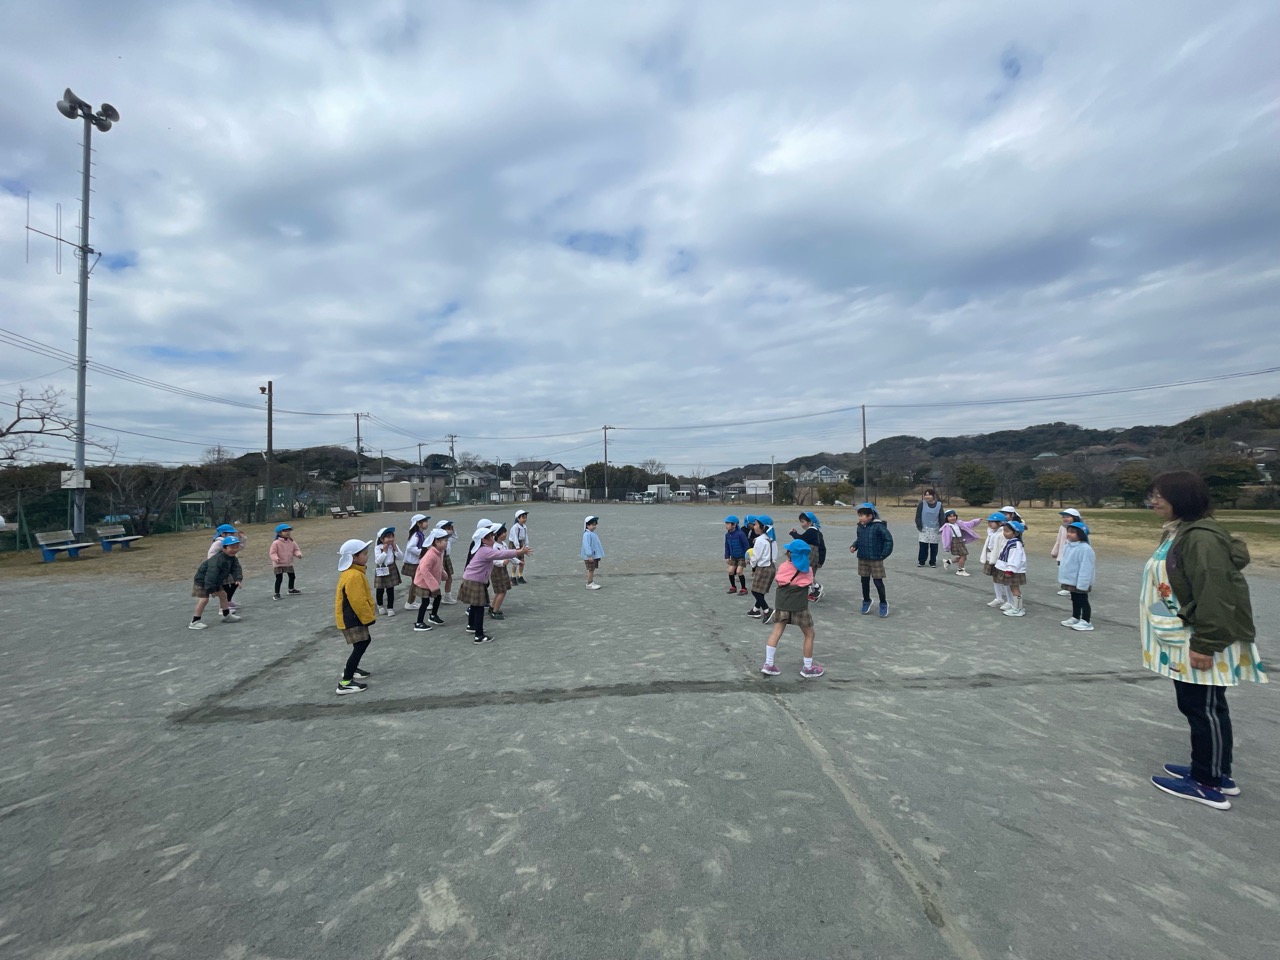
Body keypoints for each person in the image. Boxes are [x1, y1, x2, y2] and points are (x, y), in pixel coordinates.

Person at [1143, 471, 1268, 810]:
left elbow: (1215, 593)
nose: (1153, 502)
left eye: (1159, 496)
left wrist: (1205, 644)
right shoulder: (1182, 530)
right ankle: (1215, 771)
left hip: (1200, 637)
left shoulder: (1201, 538)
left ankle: (1206, 782)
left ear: (1181, 499)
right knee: (1201, 705)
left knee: (1204, 707)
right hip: (1185, 633)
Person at [760, 540, 824, 679]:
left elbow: (779, 581)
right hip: (799, 606)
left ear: (789, 554)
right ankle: (808, 667)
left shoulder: (783, 566)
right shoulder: (808, 570)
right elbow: (809, 582)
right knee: (809, 634)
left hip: (783, 604)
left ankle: (768, 664)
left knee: (776, 632)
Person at [460, 522, 532, 642]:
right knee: (479, 608)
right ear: (483, 540)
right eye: (490, 537)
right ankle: (479, 635)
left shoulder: (482, 548)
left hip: (471, 579)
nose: (492, 539)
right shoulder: (485, 550)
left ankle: (471, 626)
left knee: (474, 606)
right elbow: (501, 554)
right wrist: (519, 552)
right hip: (475, 581)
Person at [334, 538, 376, 695]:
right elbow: (358, 600)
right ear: (353, 557)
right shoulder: (354, 576)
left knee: (361, 642)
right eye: (364, 554)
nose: (367, 556)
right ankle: (345, 682)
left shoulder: (353, 572)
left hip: (351, 617)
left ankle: (352, 668)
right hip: (353, 618)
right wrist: (368, 618)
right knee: (362, 643)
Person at [850, 502, 893, 617]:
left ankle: (883, 603)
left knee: (878, 582)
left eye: (862, 516)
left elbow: (888, 540)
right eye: (859, 516)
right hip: (862, 558)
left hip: (876, 559)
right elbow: (859, 539)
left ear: (870, 516)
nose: (860, 518)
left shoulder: (879, 526)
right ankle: (866, 600)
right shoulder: (860, 527)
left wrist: (883, 554)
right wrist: (854, 546)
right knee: (864, 581)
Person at [189, 536, 243, 629]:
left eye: (237, 547)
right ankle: (194, 621)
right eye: (232, 547)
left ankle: (226, 615)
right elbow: (211, 574)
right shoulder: (217, 559)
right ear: (224, 548)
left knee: (223, 595)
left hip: (215, 580)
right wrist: (212, 589)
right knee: (204, 599)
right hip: (203, 580)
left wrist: (238, 579)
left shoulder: (232, 558)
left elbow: (236, 568)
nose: (235, 550)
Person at [1058, 521, 1096, 631]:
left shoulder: (1085, 549)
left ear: (1081, 534)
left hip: (1080, 580)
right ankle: (1075, 617)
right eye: (1068, 531)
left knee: (1083, 600)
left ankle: (1086, 620)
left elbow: (1086, 568)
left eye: (1073, 532)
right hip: (1071, 579)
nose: (1069, 534)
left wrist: (1083, 583)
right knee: (1074, 599)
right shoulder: (1068, 546)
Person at [412, 527, 450, 631]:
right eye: (445, 540)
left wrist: (443, 574)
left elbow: (439, 566)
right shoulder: (431, 554)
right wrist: (433, 584)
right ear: (437, 542)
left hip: (432, 582)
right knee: (425, 602)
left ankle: (433, 615)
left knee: (437, 597)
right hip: (424, 583)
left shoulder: (439, 552)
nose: (447, 542)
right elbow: (424, 569)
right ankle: (419, 622)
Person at [207, 522, 247, 612]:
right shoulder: (218, 543)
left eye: (233, 533)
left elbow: (239, 547)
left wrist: (242, 538)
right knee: (224, 586)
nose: (233, 535)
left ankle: (228, 600)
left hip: (230, 567)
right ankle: (223, 606)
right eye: (231, 533)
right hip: (221, 568)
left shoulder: (231, 541)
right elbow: (211, 554)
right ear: (222, 534)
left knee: (234, 582)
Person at [788, 511, 827, 601]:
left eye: (803, 522)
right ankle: (814, 590)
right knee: (808, 572)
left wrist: (793, 533)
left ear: (810, 522)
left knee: (805, 572)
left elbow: (801, 539)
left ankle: (817, 587)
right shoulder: (816, 531)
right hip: (816, 555)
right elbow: (821, 547)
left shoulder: (811, 531)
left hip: (812, 555)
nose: (802, 524)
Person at [995, 520, 1028, 616]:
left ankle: (1018, 608)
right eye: (1004, 530)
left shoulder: (1015, 544)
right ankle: (1016, 607)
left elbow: (1015, 558)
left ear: (1016, 533)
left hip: (1014, 571)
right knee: (1012, 588)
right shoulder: (1011, 542)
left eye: (1007, 531)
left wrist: (1010, 569)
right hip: (1010, 569)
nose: (1004, 533)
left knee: (1015, 589)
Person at [748, 515, 777, 621]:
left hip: (763, 567)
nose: (754, 526)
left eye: (756, 524)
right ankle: (755, 610)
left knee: (755, 591)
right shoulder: (772, 539)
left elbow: (756, 556)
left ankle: (767, 610)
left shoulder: (760, 540)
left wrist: (751, 563)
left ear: (763, 527)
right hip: (771, 567)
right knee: (760, 591)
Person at [979, 512, 1009, 608]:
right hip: (991, 557)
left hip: (999, 559)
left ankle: (1010, 601)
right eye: (989, 522)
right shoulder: (991, 532)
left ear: (1000, 523)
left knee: (1005, 581)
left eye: (993, 522)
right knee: (995, 579)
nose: (990, 524)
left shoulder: (1003, 533)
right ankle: (999, 598)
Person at [1051, 508, 1083, 596]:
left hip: (1073, 554)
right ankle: (1066, 587)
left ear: (1075, 517)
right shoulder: (1062, 527)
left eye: (1068, 517)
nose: (1065, 519)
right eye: (1063, 517)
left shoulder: (1079, 527)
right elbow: (1058, 540)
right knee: (1063, 570)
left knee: (1073, 570)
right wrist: (1055, 552)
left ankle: (1073, 588)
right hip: (1062, 554)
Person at [401, 513, 431, 610]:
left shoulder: (419, 534)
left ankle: (412, 601)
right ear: (418, 523)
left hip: (416, 562)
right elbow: (410, 547)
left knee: (416, 582)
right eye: (425, 521)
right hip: (413, 563)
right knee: (416, 582)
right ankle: (411, 602)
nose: (427, 523)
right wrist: (422, 552)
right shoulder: (416, 535)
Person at [373, 526, 403, 617]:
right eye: (388, 537)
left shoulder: (393, 546)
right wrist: (385, 552)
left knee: (390, 589)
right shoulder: (378, 548)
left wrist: (395, 549)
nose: (391, 539)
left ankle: (390, 608)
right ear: (382, 539)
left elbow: (401, 557)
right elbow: (378, 561)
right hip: (381, 569)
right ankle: (380, 605)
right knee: (380, 589)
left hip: (391, 568)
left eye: (392, 537)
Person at [940, 510, 981, 576]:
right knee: (963, 556)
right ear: (946, 518)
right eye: (950, 517)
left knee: (964, 557)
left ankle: (948, 562)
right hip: (955, 542)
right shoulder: (947, 526)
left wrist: (976, 521)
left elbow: (969, 524)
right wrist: (947, 547)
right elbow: (945, 538)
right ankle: (960, 570)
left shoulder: (958, 523)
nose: (952, 518)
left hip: (960, 541)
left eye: (954, 516)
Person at [269, 523, 303, 600]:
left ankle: (291, 589)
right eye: (285, 531)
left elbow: (295, 550)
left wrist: (298, 554)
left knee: (292, 576)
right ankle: (276, 593)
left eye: (288, 531)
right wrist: (276, 558)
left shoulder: (291, 541)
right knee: (279, 579)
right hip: (279, 564)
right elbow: (272, 553)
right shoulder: (276, 543)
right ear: (279, 533)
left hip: (288, 563)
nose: (287, 532)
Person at [488, 523, 513, 619]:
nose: (505, 534)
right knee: (502, 591)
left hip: (503, 569)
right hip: (496, 570)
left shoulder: (504, 544)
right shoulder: (494, 546)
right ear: (496, 534)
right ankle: (495, 611)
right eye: (503, 533)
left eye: (505, 532)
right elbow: (493, 560)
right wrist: (502, 562)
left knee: (500, 591)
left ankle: (492, 607)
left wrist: (518, 562)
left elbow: (509, 554)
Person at [914, 489, 945, 567]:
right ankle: (921, 561)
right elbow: (918, 516)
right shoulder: (922, 504)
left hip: (935, 528)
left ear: (933, 496)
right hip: (924, 528)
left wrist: (942, 527)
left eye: (929, 495)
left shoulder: (939, 505)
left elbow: (941, 517)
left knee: (934, 547)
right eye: (926, 495)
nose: (927, 496)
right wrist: (919, 526)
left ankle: (932, 561)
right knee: (923, 546)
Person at [723, 515, 749, 594]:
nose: (726, 525)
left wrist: (747, 557)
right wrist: (727, 556)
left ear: (734, 525)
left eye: (728, 524)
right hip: (733, 557)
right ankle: (733, 587)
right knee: (730, 571)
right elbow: (727, 546)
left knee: (739, 571)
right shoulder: (727, 535)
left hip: (742, 557)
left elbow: (746, 545)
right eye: (726, 523)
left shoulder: (740, 534)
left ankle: (744, 588)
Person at [435, 520, 458, 604]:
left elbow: (455, 537)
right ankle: (431, 598)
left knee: (449, 577)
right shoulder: (436, 539)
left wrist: (453, 530)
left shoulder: (448, 539)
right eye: (447, 528)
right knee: (436, 578)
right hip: (438, 558)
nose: (449, 530)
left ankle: (447, 596)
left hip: (446, 558)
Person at [581, 516, 606, 588]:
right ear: (587, 525)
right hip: (590, 556)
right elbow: (586, 546)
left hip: (594, 555)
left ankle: (591, 582)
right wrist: (589, 555)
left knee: (592, 569)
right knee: (591, 570)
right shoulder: (586, 534)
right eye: (592, 525)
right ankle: (589, 583)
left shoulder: (593, 534)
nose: (594, 526)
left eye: (595, 525)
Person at [510, 509, 530, 583]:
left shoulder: (524, 527)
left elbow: (526, 536)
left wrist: (526, 545)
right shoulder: (515, 527)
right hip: (514, 544)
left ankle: (520, 576)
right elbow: (514, 537)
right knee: (515, 561)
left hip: (521, 544)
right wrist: (517, 547)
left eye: (525, 517)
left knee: (522, 560)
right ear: (518, 519)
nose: (524, 519)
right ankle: (513, 576)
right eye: (523, 517)